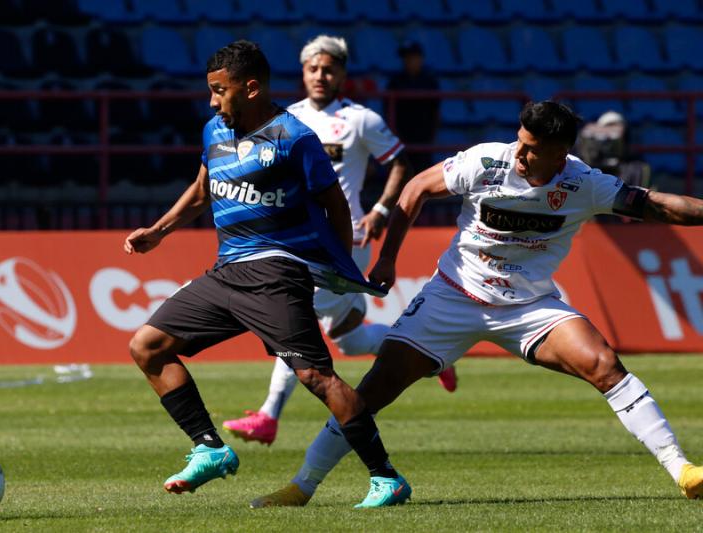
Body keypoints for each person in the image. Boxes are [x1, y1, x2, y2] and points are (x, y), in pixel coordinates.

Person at [251, 101, 703, 508]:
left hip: (529, 307)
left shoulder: (585, 183)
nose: (519, 154)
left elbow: (656, 206)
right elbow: (416, 189)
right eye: (519, 142)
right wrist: (388, 257)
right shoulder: (486, 160)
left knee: (604, 363)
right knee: (373, 389)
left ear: (560, 152)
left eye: (531, 149)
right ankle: (302, 486)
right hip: (452, 296)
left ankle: (682, 471)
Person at [124, 40, 410, 508]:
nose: (213, 101)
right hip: (227, 272)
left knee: (317, 378)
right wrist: (159, 230)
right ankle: (209, 448)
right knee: (148, 346)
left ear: (251, 88)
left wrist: (337, 263)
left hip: (277, 273)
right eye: (210, 91)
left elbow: (334, 203)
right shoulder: (214, 130)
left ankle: (386, 477)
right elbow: (201, 189)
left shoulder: (293, 137)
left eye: (220, 90)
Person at [222, 35, 457, 448]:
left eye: (328, 69)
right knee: (349, 337)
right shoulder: (283, 117)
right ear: (303, 72)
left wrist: (381, 211)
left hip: (341, 237)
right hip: (293, 235)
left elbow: (400, 164)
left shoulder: (360, 119)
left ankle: (268, 415)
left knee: (293, 319)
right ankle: (430, 353)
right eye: (313, 68)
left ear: (342, 74)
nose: (320, 75)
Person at [385, 39, 440, 174]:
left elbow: (435, 110)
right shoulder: (395, 81)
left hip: (423, 137)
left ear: (420, 58)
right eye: (406, 57)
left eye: (412, 57)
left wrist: (430, 134)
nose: (408, 60)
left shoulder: (429, 81)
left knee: (423, 175)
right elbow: (388, 110)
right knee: (403, 176)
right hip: (402, 137)